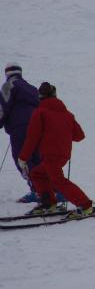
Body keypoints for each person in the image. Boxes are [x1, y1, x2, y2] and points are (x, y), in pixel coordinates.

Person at [18, 82, 95, 218]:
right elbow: (79, 136)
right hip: (63, 155)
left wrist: (23, 157)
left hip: (50, 155)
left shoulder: (40, 112)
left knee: (58, 181)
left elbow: (32, 137)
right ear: (55, 95)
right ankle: (48, 203)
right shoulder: (67, 114)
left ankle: (85, 205)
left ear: (40, 96)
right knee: (37, 174)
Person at [0, 63, 41, 203]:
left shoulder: (8, 86)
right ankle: (49, 189)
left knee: (22, 158)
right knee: (37, 157)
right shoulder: (32, 88)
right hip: (37, 127)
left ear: (7, 73)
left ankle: (38, 190)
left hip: (19, 127)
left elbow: (2, 106)